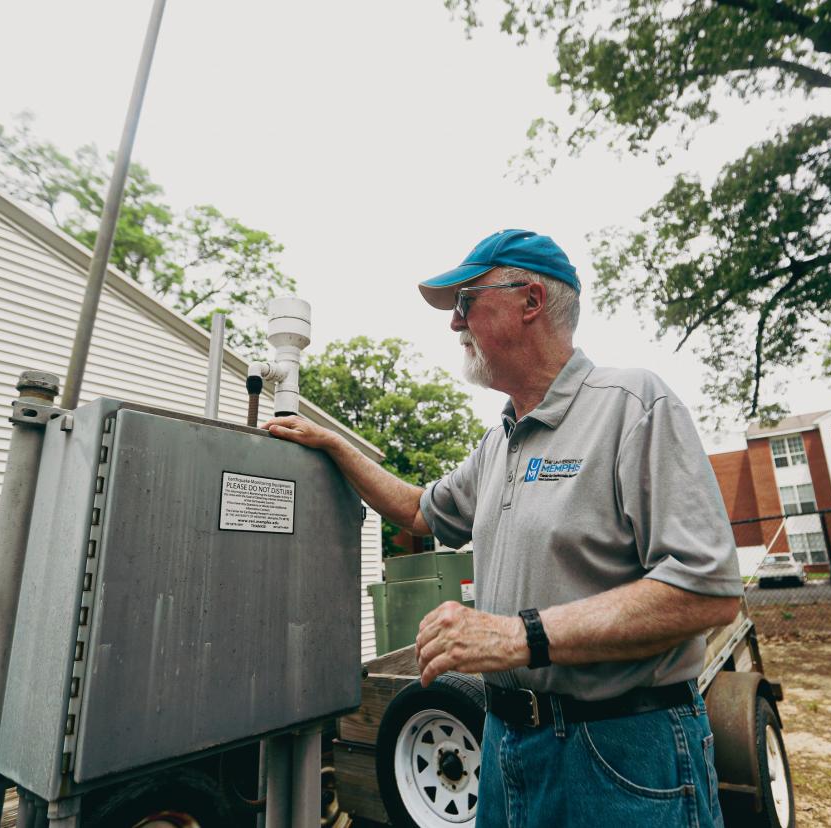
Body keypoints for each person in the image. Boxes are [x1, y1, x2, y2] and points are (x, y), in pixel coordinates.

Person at [265, 229, 742, 826]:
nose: (454, 324)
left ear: (531, 302)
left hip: (621, 750)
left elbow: (708, 590)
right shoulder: (499, 443)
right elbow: (419, 511)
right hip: (506, 745)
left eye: (466, 302)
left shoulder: (632, 405)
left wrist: (521, 636)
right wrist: (335, 446)